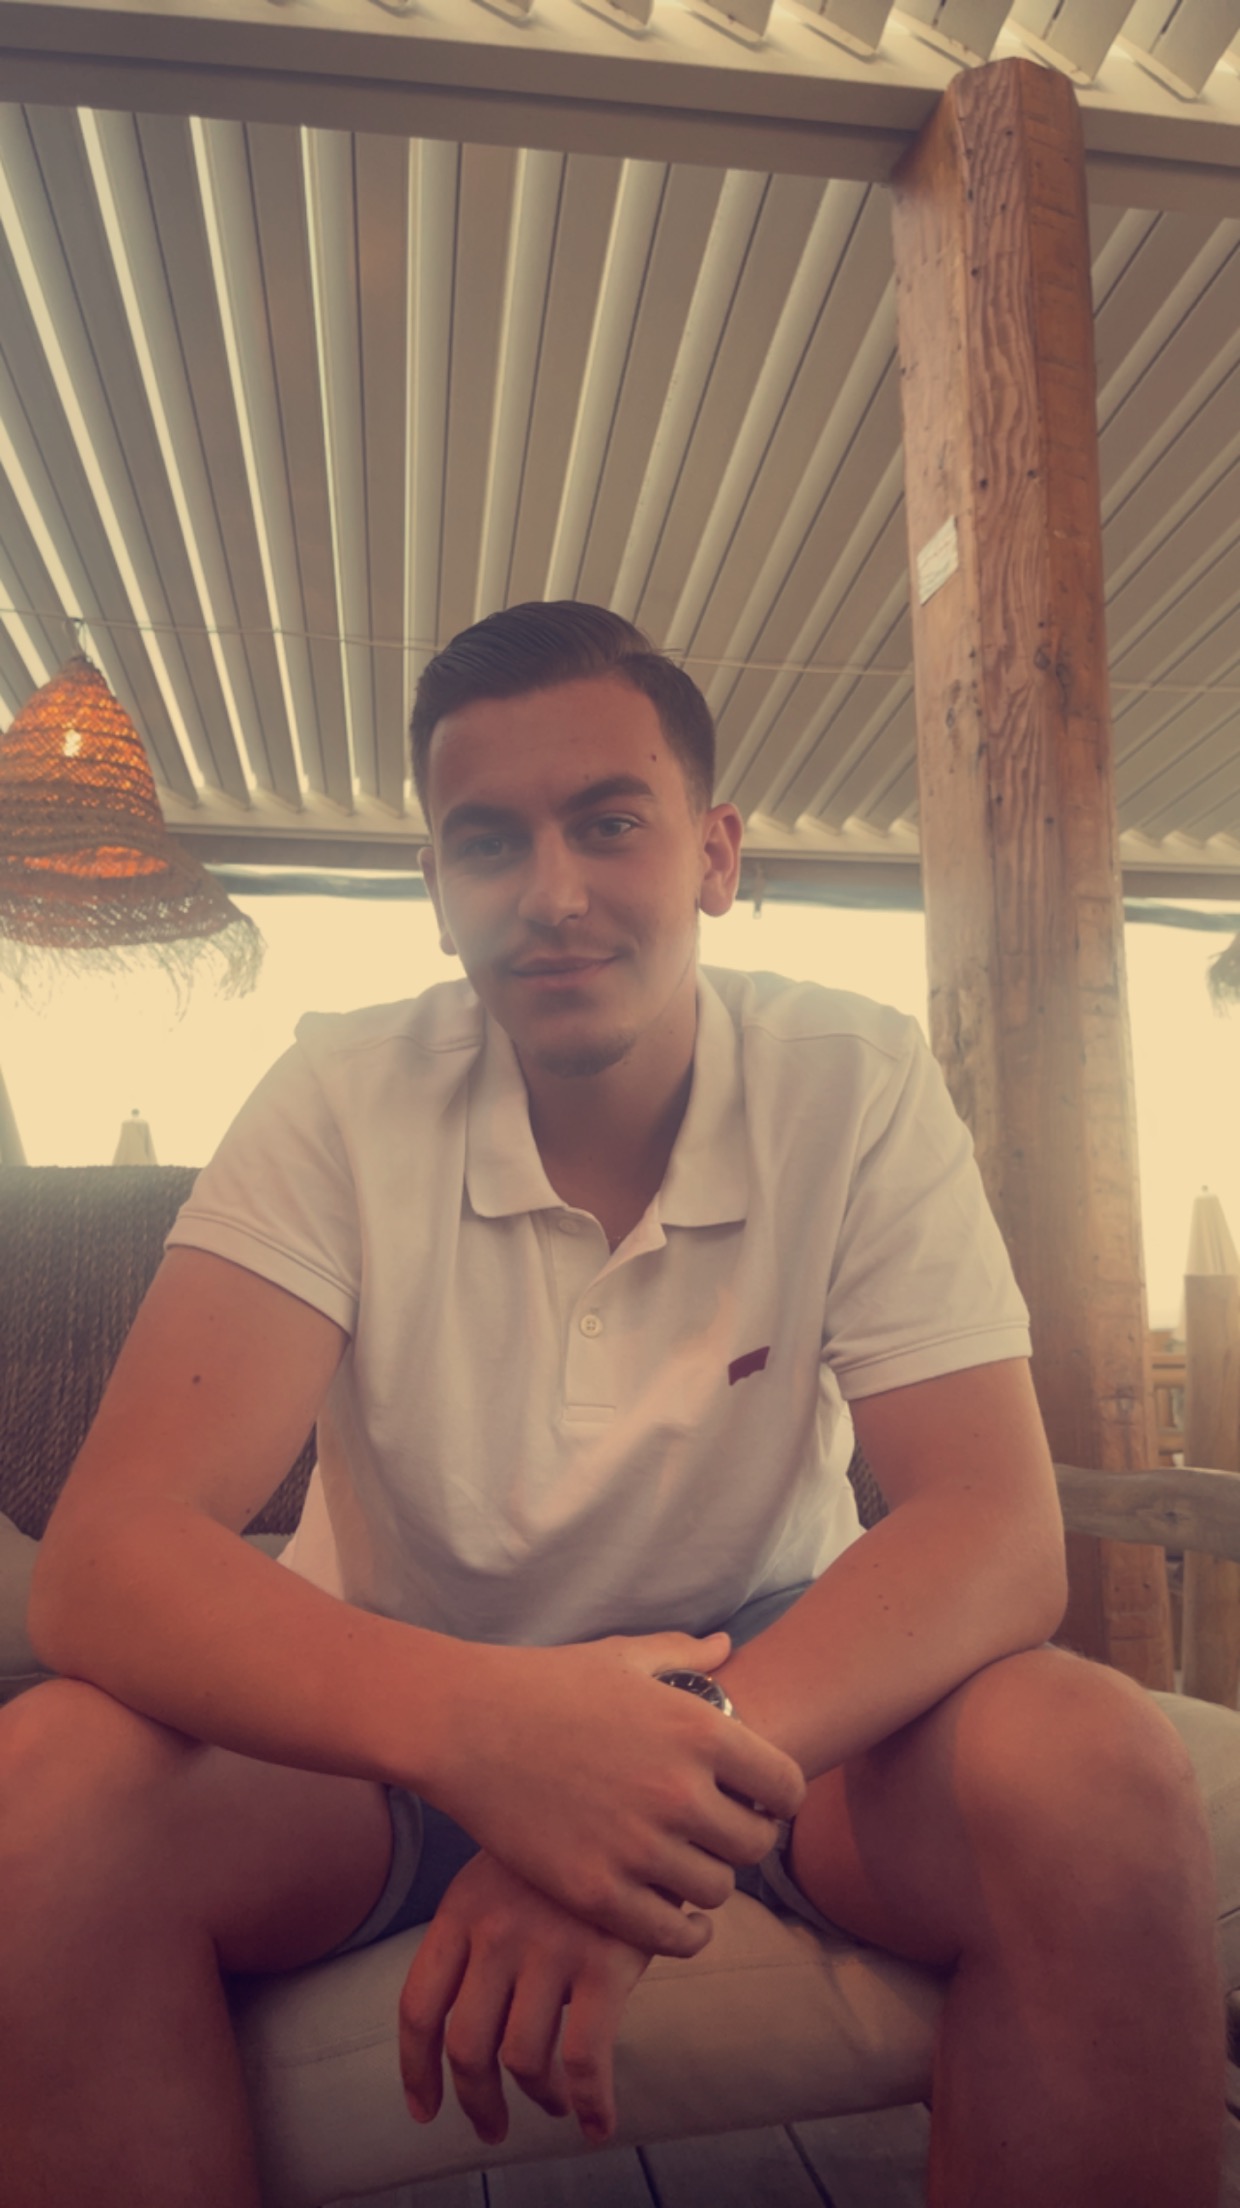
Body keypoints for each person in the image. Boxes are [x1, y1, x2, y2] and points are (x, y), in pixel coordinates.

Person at [2, 602, 1223, 2208]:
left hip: (772, 1693)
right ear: (437, 891)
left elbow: (994, 1527)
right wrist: (499, 1741)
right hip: (394, 1715)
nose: (552, 892)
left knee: (1091, 1770)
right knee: (45, 1798)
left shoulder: (850, 1080)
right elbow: (109, 1557)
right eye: (488, 841)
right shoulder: (337, 1095)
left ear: (713, 854)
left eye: (609, 823)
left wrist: (658, 1790)